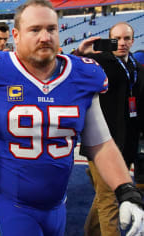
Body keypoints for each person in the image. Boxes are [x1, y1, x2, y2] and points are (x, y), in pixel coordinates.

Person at [0, 0, 144, 235]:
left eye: (51, 29)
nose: (45, 36)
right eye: (35, 29)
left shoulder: (83, 76)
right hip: (7, 204)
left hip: (57, 205)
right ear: (16, 35)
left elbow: (100, 143)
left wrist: (125, 190)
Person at [73, 22, 144, 236]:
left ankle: (91, 231)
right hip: (101, 142)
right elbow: (68, 72)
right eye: (117, 39)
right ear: (109, 40)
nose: (122, 43)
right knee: (109, 200)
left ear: (133, 40)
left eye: (127, 39)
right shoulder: (96, 63)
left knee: (106, 196)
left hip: (128, 143)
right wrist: (79, 53)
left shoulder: (137, 68)